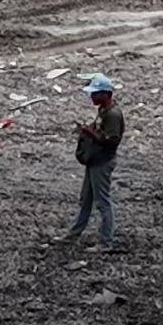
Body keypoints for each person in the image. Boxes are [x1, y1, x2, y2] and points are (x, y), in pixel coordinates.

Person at [55, 74, 124, 249]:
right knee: (86, 199)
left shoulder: (113, 115)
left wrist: (90, 133)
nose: (91, 96)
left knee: (102, 202)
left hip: (102, 162)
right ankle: (73, 235)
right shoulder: (104, 110)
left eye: (95, 93)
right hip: (95, 160)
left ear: (106, 94)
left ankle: (105, 241)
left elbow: (112, 141)